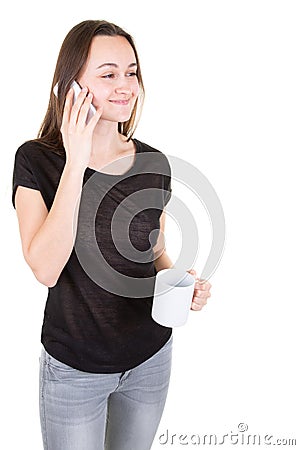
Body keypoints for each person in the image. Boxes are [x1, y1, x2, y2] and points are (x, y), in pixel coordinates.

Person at [12, 20, 211, 450]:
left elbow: (153, 248)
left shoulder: (154, 162)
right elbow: (45, 268)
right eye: (108, 74)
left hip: (150, 359)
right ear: (71, 86)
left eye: (131, 71)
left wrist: (180, 280)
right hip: (74, 371)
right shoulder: (36, 160)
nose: (126, 85)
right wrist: (76, 158)